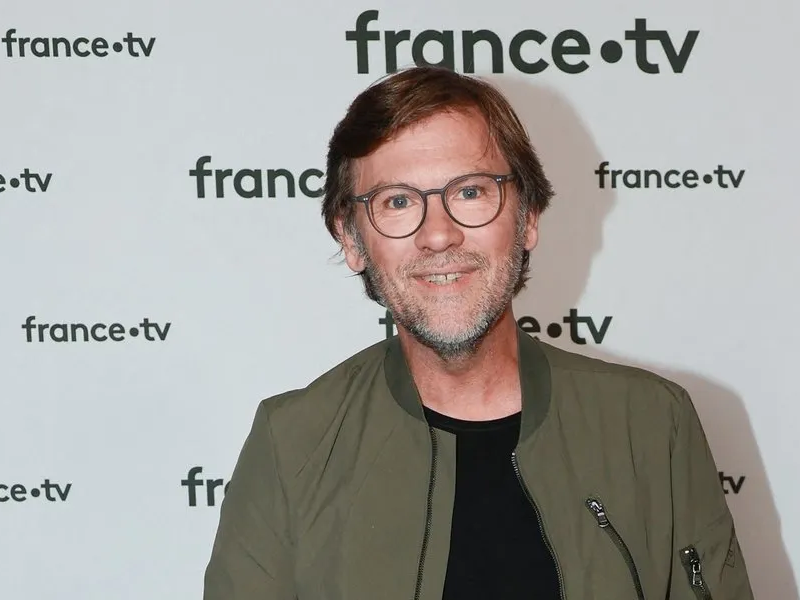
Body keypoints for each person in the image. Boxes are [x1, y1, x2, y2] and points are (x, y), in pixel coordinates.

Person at [202, 65, 755, 600]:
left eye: (470, 192)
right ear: (351, 240)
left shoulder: (653, 425)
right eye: (397, 201)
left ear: (527, 216)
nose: (439, 234)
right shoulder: (292, 445)